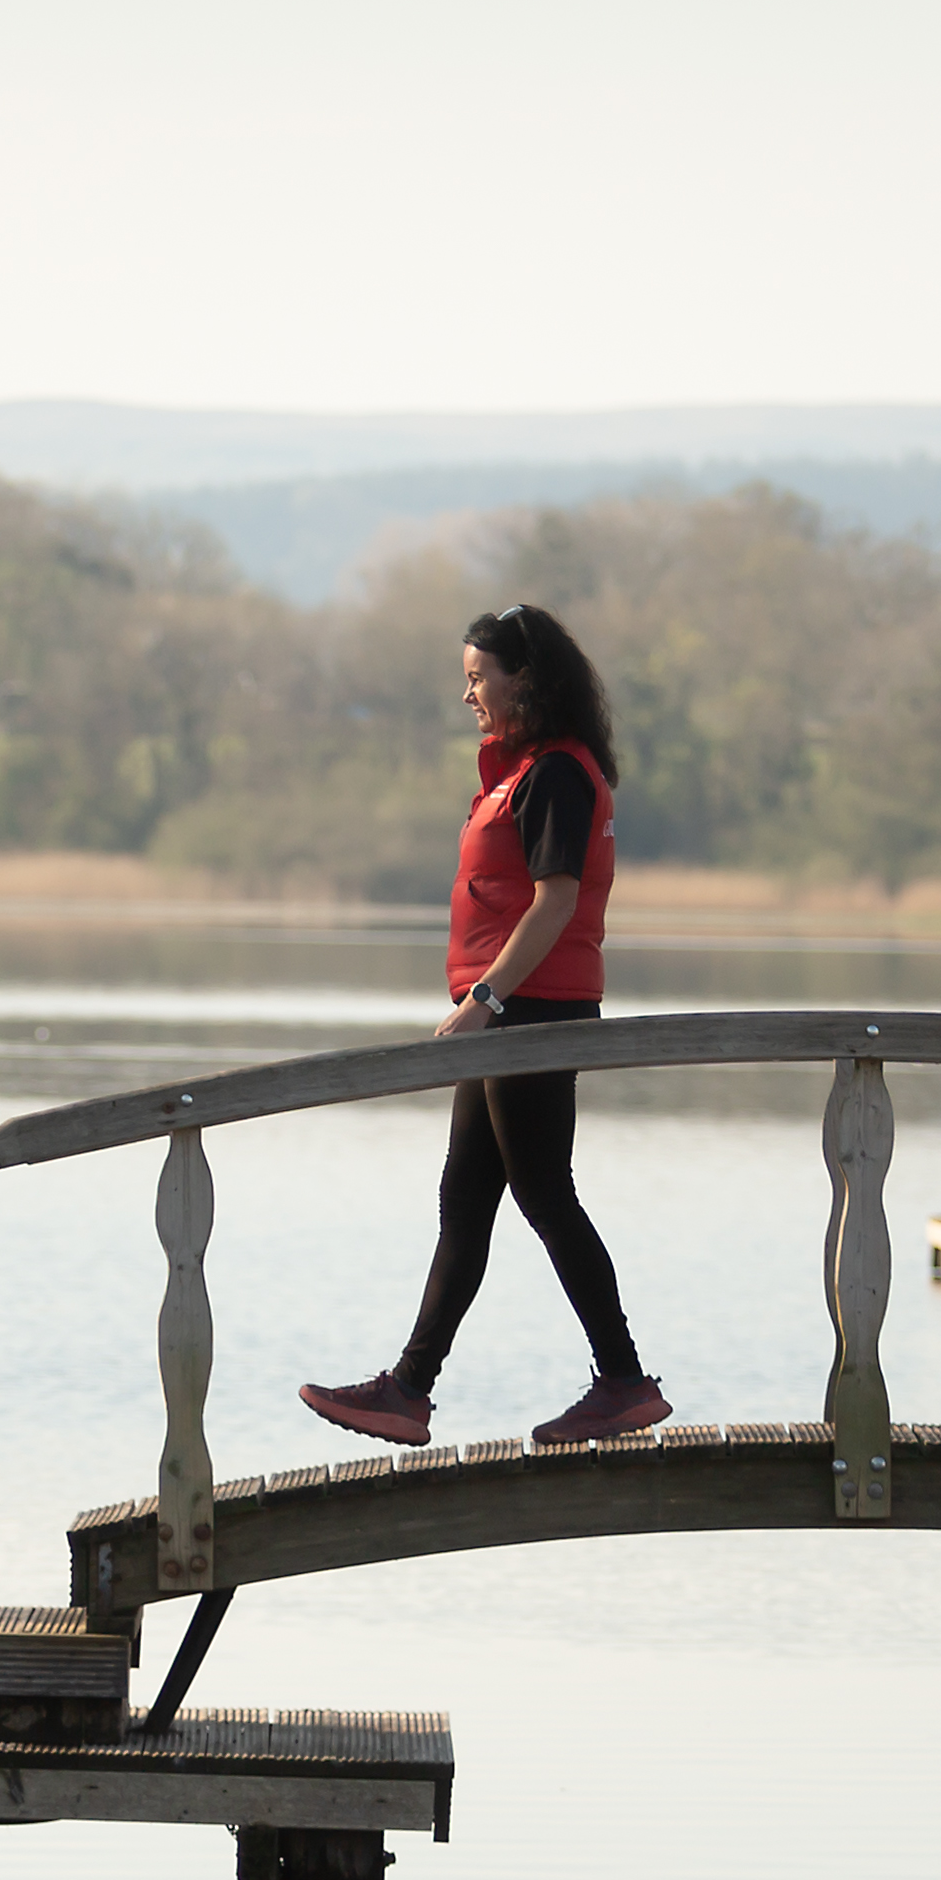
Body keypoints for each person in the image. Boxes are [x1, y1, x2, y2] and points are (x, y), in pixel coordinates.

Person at [298, 603, 670, 1450]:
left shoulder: (556, 776)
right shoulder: (529, 769)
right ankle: (408, 1390)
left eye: (478, 678)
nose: (467, 695)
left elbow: (558, 901)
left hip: (531, 1010)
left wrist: (489, 1000)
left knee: (543, 1191)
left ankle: (622, 1380)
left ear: (523, 679)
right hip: (514, 1010)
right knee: (466, 1199)